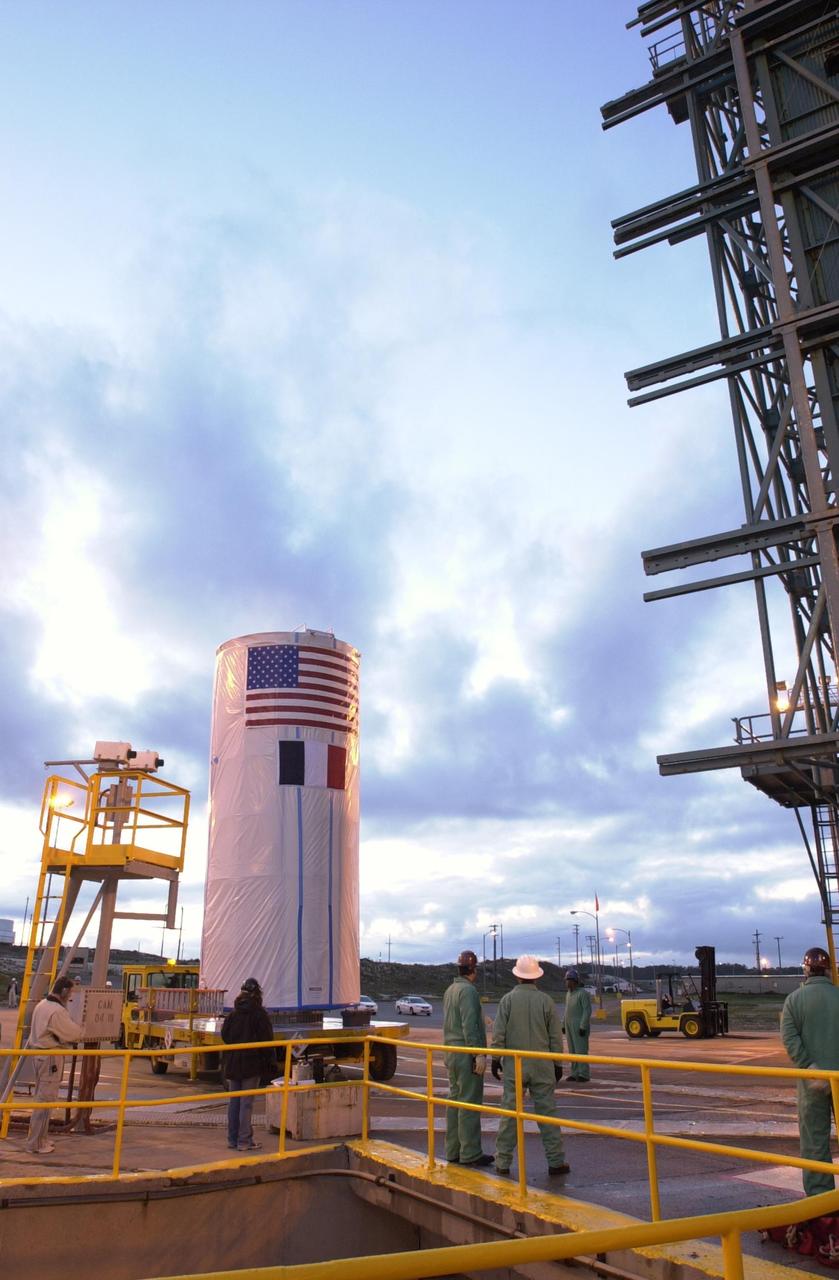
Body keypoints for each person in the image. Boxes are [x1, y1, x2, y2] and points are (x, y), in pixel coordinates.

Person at [491, 955, 568, 1177]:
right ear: (537, 977)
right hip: (542, 1064)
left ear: (517, 975)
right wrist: (557, 1062)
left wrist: (496, 1059)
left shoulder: (507, 1000)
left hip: (515, 1064)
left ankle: (503, 1161)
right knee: (547, 1115)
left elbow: (499, 1032)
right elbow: (555, 1035)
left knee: (510, 1114)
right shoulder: (546, 1001)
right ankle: (555, 1161)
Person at [781, 945, 839, 1196]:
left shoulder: (794, 1000)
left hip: (812, 1080)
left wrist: (808, 1065)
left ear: (806, 970)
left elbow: (789, 1037)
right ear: (828, 971)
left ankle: (821, 1201)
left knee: (815, 1140)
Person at [442, 948, 492, 1167]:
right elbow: (470, 1026)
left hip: (451, 1053)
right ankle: (470, 1152)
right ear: (474, 969)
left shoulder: (450, 990)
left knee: (454, 1102)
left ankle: (453, 1150)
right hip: (465, 1054)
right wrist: (478, 1053)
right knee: (469, 1103)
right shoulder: (469, 992)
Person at [24, 975, 83, 1155]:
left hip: (40, 1056)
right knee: (45, 1100)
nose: (71, 996)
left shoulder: (42, 1005)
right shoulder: (57, 1011)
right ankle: (36, 1143)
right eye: (70, 992)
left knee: (42, 1098)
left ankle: (40, 1138)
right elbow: (73, 1034)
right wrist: (84, 1029)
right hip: (50, 1057)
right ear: (64, 991)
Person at [220, 977, 277, 1152]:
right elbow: (267, 1040)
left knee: (234, 1102)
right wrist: (270, 1064)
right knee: (246, 1104)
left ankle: (232, 1139)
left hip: (233, 1063)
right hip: (251, 1064)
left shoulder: (233, 1014)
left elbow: (225, 1036)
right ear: (257, 993)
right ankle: (244, 1141)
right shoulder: (259, 1014)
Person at [563, 969, 591, 1083]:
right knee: (572, 1050)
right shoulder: (568, 994)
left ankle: (583, 1074)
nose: (566, 983)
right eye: (566, 980)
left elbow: (587, 1011)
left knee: (581, 1050)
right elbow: (566, 1010)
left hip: (579, 1025)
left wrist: (583, 1026)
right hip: (569, 1024)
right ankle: (574, 1073)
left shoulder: (583, 993)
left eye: (568, 980)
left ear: (574, 981)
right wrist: (563, 1024)